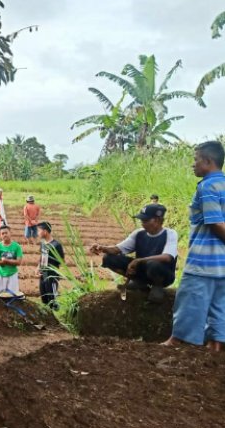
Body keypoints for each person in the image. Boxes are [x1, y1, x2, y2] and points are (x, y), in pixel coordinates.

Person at [163, 141, 225, 349]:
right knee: (219, 306)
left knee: (189, 300)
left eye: (196, 160)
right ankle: (215, 346)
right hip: (222, 264)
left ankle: (178, 341)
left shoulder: (207, 186)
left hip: (203, 261)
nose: (193, 164)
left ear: (208, 162)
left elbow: (215, 223)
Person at [90, 203, 177, 303]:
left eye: (145, 220)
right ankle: (140, 282)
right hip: (143, 270)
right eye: (142, 220)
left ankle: (157, 286)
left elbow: (167, 257)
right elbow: (117, 249)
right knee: (108, 258)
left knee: (153, 264)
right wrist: (102, 248)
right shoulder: (139, 233)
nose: (142, 223)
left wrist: (139, 260)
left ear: (157, 220)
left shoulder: (170, 234)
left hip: (163, 274)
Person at [35, 221, 65, 309]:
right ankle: (47, 318)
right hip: (43, 274)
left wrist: (50, 265)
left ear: (45, 231)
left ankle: (55, 318)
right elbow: (42, 256)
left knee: (52, 300)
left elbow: (61, 261)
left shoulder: (56, 245)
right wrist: (38, 268)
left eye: (38, 231)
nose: (37, 233)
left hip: (52, 275)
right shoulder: (43, 243)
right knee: (44, 298)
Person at [0, 225, 23, 296]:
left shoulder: (17, 246)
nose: (4, 235)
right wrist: (12, 261)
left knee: (12, 295)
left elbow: (19, 262)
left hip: (12, 274)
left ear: (10, 233)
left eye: (6, 233)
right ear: (0, 235)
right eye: (2, 233)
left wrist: (5, 260)